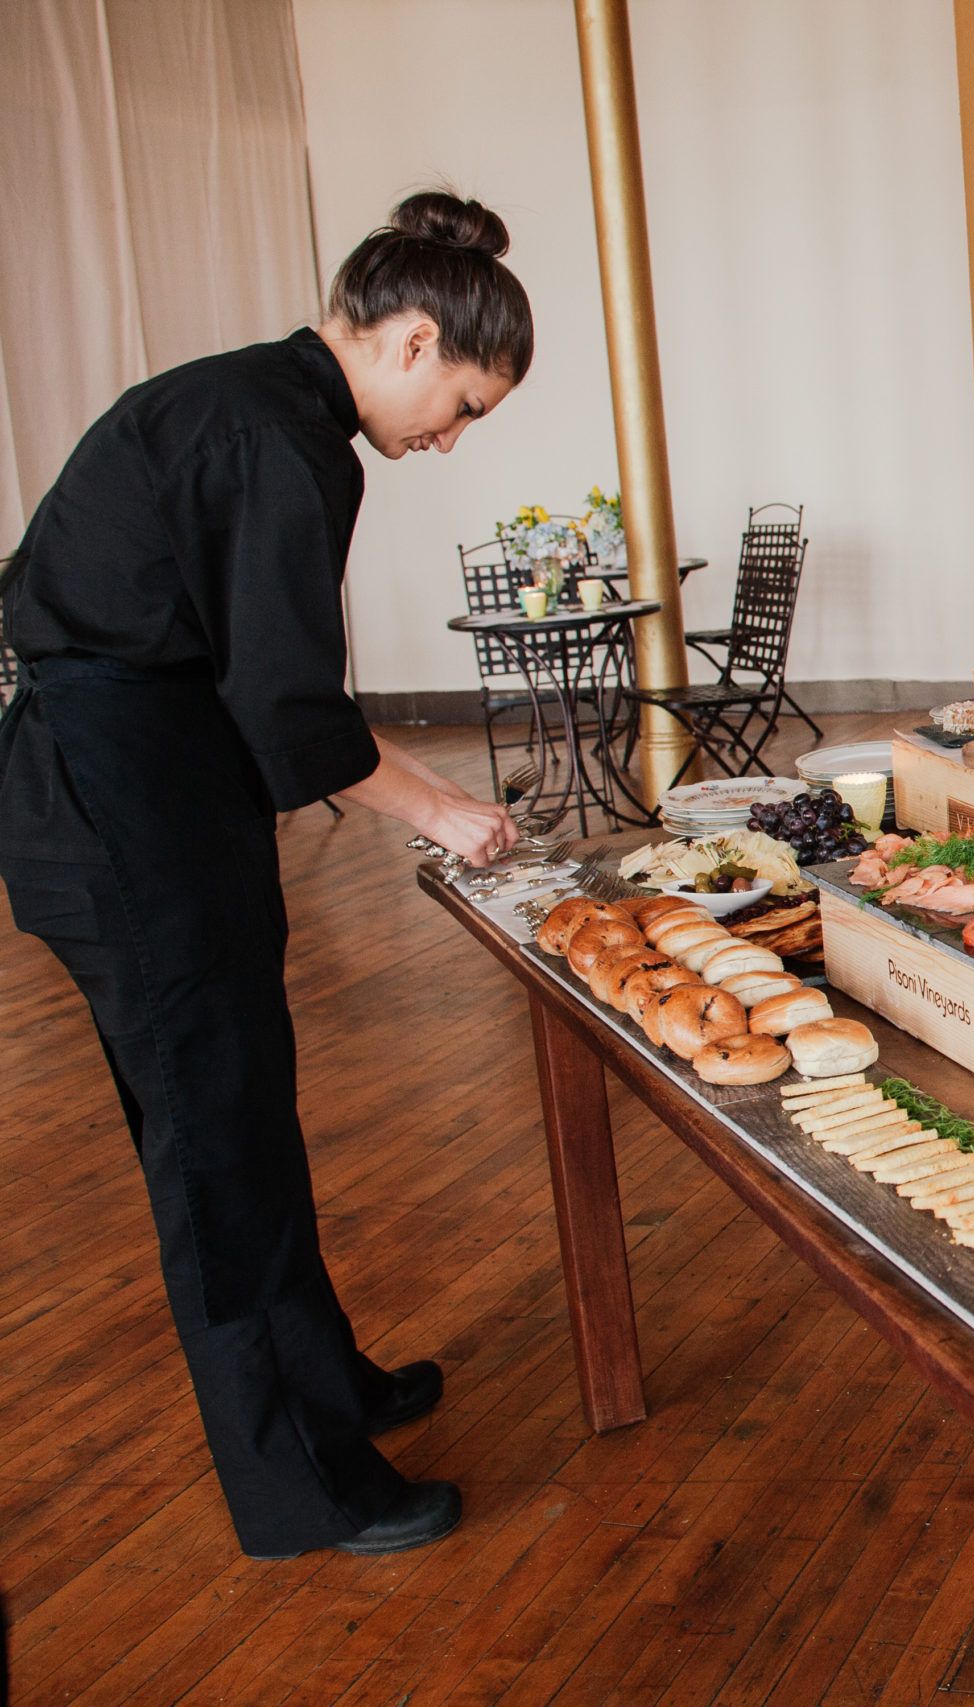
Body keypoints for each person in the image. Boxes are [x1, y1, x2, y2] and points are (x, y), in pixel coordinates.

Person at [0, 189, 534, 1559]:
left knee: (244, 1107)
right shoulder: (287, 445)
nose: (453, 437)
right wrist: (445, 813)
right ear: (411, 341)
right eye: (464, 402)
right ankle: (304, 1485)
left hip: (140, 794)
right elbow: (293, 714)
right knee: (213, 1147)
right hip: (116, 813)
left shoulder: (257, 406)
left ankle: (329, 1381)